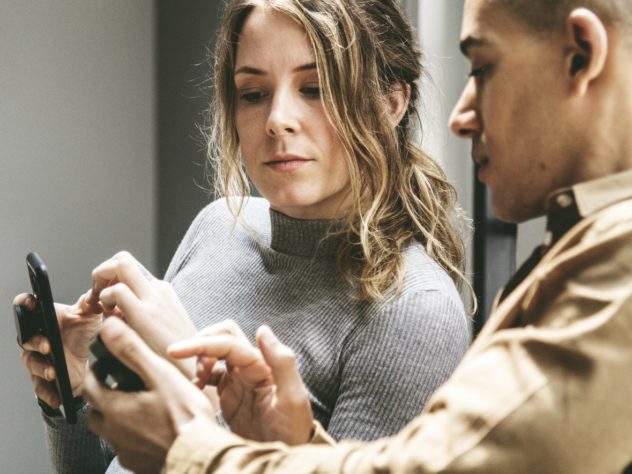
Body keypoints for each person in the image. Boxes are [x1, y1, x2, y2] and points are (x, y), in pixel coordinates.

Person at [82, 0, 632, 472]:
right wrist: (79, 391)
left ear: (582, 54)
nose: (461, 116)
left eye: (483, 69)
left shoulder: (608, 275)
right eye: (252, 93)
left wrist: (193, 425)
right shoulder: (215, 225)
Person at [15, 0, 472, 472]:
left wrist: (189, 374)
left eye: (314, 88)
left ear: (391, 103)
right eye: (253, 94)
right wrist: (73, 400)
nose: (277, 119)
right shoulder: (217, 226)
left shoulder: (414, 311)